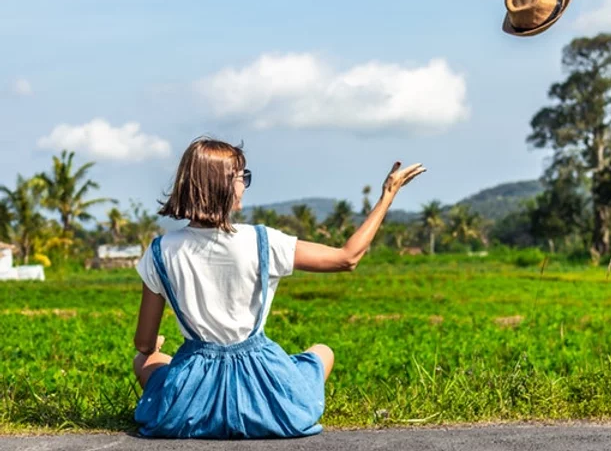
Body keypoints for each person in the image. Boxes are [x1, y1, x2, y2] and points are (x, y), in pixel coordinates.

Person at [131, 137, 426, 439]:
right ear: (221, 185)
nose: (244, 185)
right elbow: (347, 257)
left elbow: (143, 343)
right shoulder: (263, 241)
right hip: (267, 397)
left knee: (147, 360)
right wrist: (387, 196)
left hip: (189, 407)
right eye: (240, 177)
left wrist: (154, 349)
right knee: (322, 352)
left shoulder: (160, 251)